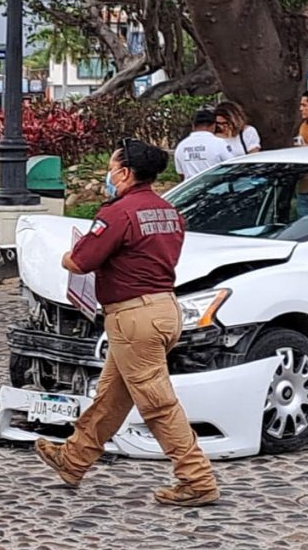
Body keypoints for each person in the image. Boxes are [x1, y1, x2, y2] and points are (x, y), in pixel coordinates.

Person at [35, 138, 220, 507]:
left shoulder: (118, 213)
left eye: (112, 166)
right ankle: (74, 458)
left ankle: (197, 478)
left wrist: (67, 256)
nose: (109, 173)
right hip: (165, 309)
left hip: (133, 316)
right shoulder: (169, 211)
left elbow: (82, 260)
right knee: (112, 397)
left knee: (157, 402)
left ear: (125, 173)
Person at [174, 108, 234, 181]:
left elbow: (181, 174)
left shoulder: (181, 146)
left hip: (191, 190)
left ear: (193, 126)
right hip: (216, 188)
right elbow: (232, 166)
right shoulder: (220, 144)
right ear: (213, 126)